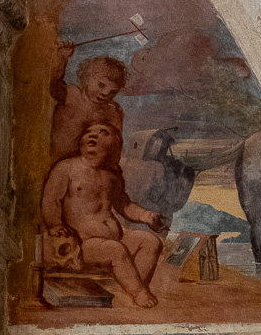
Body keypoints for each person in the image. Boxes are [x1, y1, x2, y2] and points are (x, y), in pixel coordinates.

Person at [40, 123, 167, 308]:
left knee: (150, 242)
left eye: (103, 134)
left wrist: (146, 216)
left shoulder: (111, 175)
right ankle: (139, 292)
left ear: (114, 144)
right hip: (84, 242)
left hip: (117, 236)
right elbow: (51, 199)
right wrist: (54, 225)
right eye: (88, 133)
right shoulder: (66, 168)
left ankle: (132, 288)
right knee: (116, 250)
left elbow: (124, 205)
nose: (93, 136)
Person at [49, 42, 127, 164]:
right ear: (86, 77)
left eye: (113, 91)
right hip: (57, 163)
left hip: (89, 172)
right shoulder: (71, 95)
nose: (106, 93)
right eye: (101, 85)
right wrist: (62, 57)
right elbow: (52, 83)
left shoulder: (113, 111)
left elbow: (115, 147)